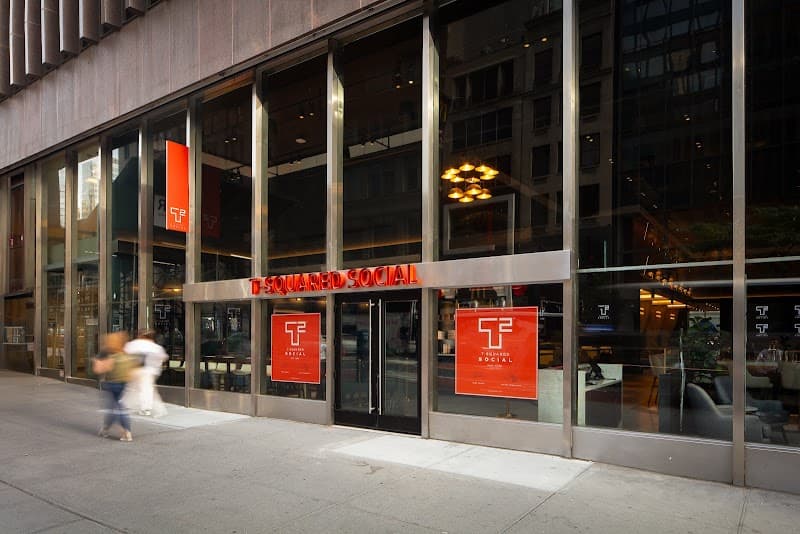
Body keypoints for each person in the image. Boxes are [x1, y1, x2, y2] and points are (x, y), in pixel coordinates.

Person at [93, 331, 137, 441]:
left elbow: (99, 369)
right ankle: (107, 429)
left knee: (115, 407)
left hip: (111, 383)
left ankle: (124, 431)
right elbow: (132, 368)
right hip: (123, 383)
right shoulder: (125, 353)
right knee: (116, 406)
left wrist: (97, 362)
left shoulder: (108, 353)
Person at [124, 329, 169, 417]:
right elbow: (164, 357)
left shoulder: (133, 344)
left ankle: (127, 405)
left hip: (135, 370)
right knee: (147, 389)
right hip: (149, 371)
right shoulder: (155, 347)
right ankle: (146, 408)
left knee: (132, 387)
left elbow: (125, 353)